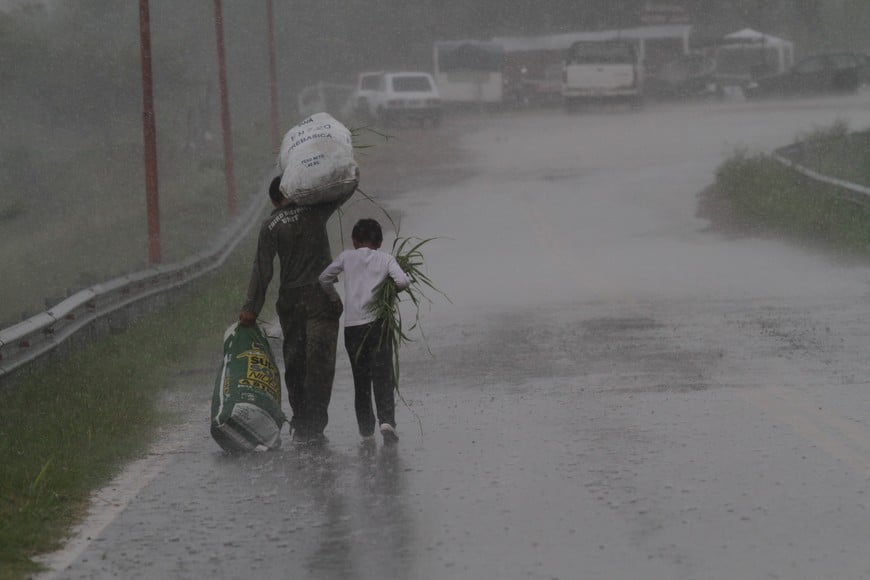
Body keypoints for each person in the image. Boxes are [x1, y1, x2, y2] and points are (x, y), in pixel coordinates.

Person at [239, 174, 353, 444]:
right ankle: (315, 423)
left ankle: (302, 420)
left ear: (274, 199)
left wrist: (250, 309)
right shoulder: (316, 211)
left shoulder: (271, 225)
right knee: (321, 363)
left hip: (291, 302)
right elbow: (344, 190)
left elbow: (262, 269)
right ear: (295, 191)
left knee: (296, 362)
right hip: (322, 298)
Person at [319, 218, 411, 445]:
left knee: (361, 378)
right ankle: (386, 421)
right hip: (378, 324)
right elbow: (402, 282)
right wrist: (388, 291)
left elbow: (324, 278)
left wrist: (334, 298)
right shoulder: (385, 258)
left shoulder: (346, 257)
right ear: (379, 242)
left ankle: (365, 426)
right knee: (383, 373)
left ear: (354, 240)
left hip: (353, 328)